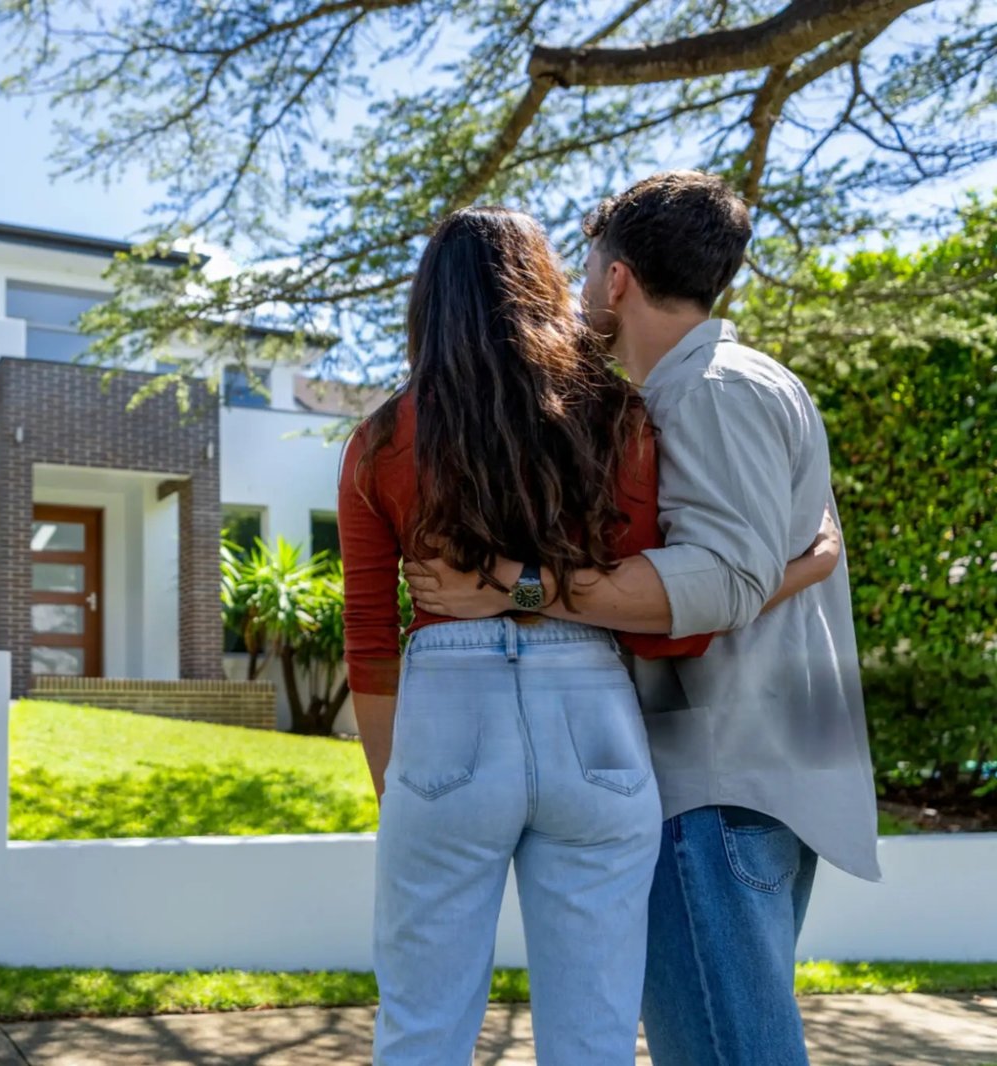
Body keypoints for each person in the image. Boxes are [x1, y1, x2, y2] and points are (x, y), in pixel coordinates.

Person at [339, 206, 837, 1066]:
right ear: (543, 288)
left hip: (445, 715)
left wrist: (402, 790)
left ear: (429, 304)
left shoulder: (379, 440)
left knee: (420, 1031)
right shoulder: (616, 416)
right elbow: (669, 627)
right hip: (596, 720)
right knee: (596, 1039)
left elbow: (370, 635)